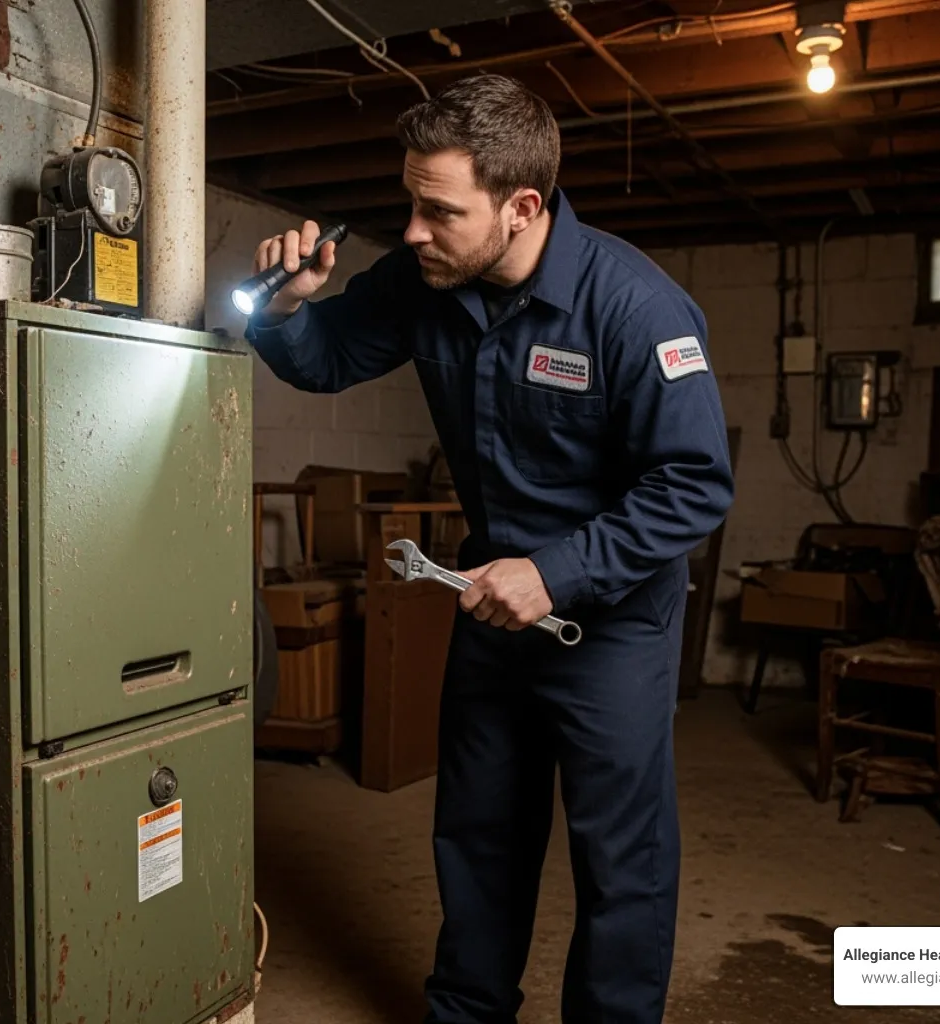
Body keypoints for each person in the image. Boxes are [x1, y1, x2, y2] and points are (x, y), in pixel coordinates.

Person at [242, 74, 733, 1024]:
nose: (415, 230)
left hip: (612, 628)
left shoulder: (636, 310)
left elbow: (695, 485)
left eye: (439, 211)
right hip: (489, 609)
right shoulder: (428, 281)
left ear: (521, 207)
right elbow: (326, 360)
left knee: (619, 862)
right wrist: (291, 308)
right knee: (477, 837)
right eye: (409, 204)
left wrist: (557, 573)